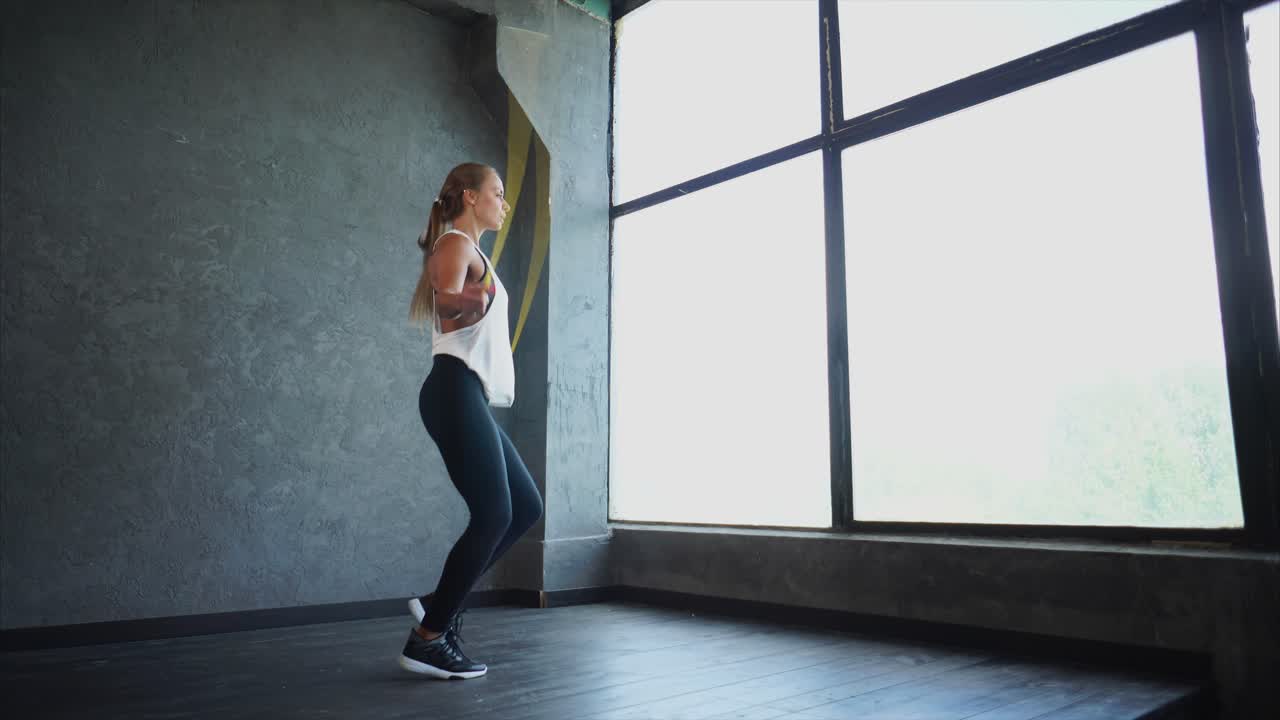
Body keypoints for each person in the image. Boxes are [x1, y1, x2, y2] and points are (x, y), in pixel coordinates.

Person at [398, 162, 544, 680]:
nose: (504, 203)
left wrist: (480, 295)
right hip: (453, 390)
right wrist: (476, 297)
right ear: (468, 196)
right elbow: (445, 306)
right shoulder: (456, 243)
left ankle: (440, 601)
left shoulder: (473, 250)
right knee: (494, 514)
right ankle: (430, 636)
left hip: (468, 395)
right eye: (497, 193)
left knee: (524, 506)